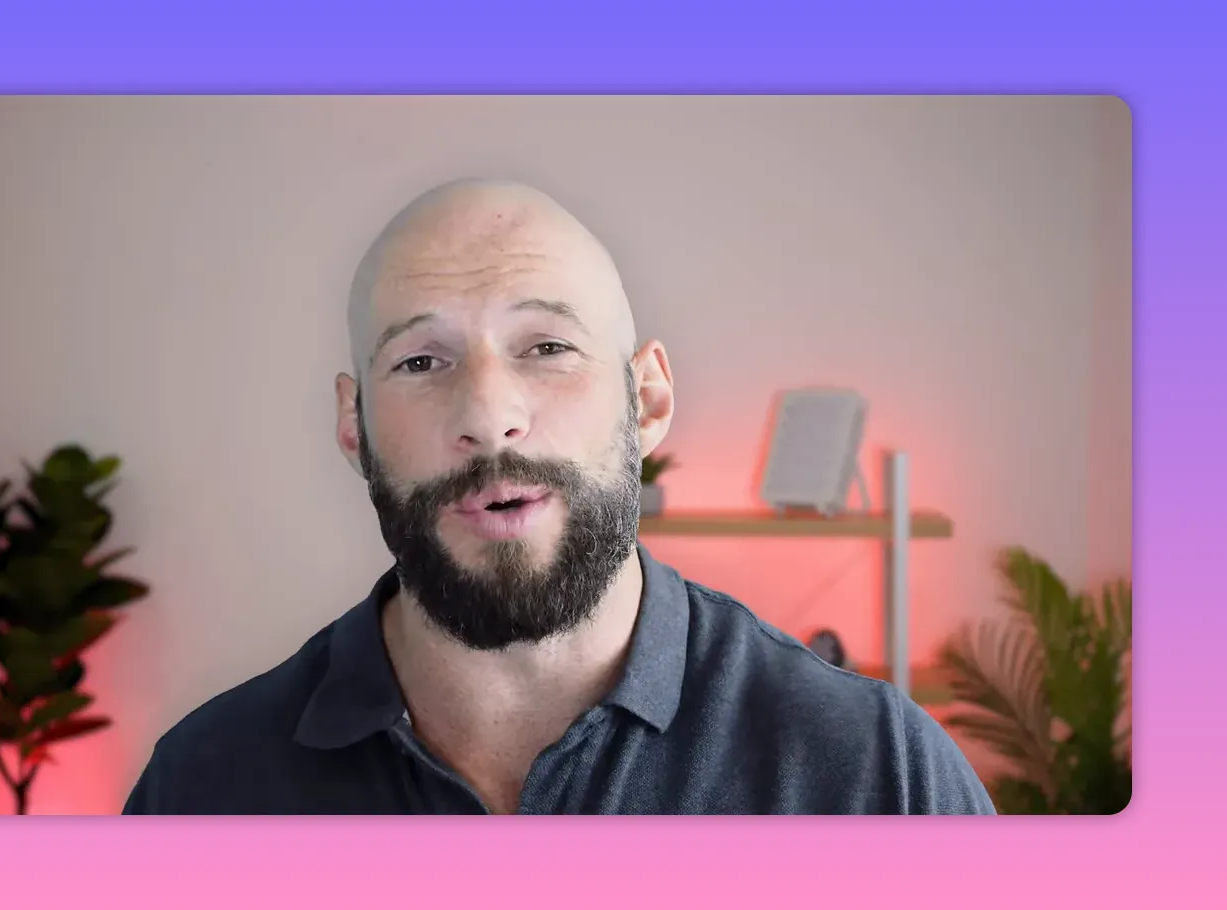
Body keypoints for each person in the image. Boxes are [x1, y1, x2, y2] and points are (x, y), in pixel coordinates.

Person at [122, 178, 995, 815]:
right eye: (421, 362)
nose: (489, 416)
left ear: (647, 399)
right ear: (354, 425)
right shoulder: (202, 788)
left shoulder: (878, 776)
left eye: (545, 347)